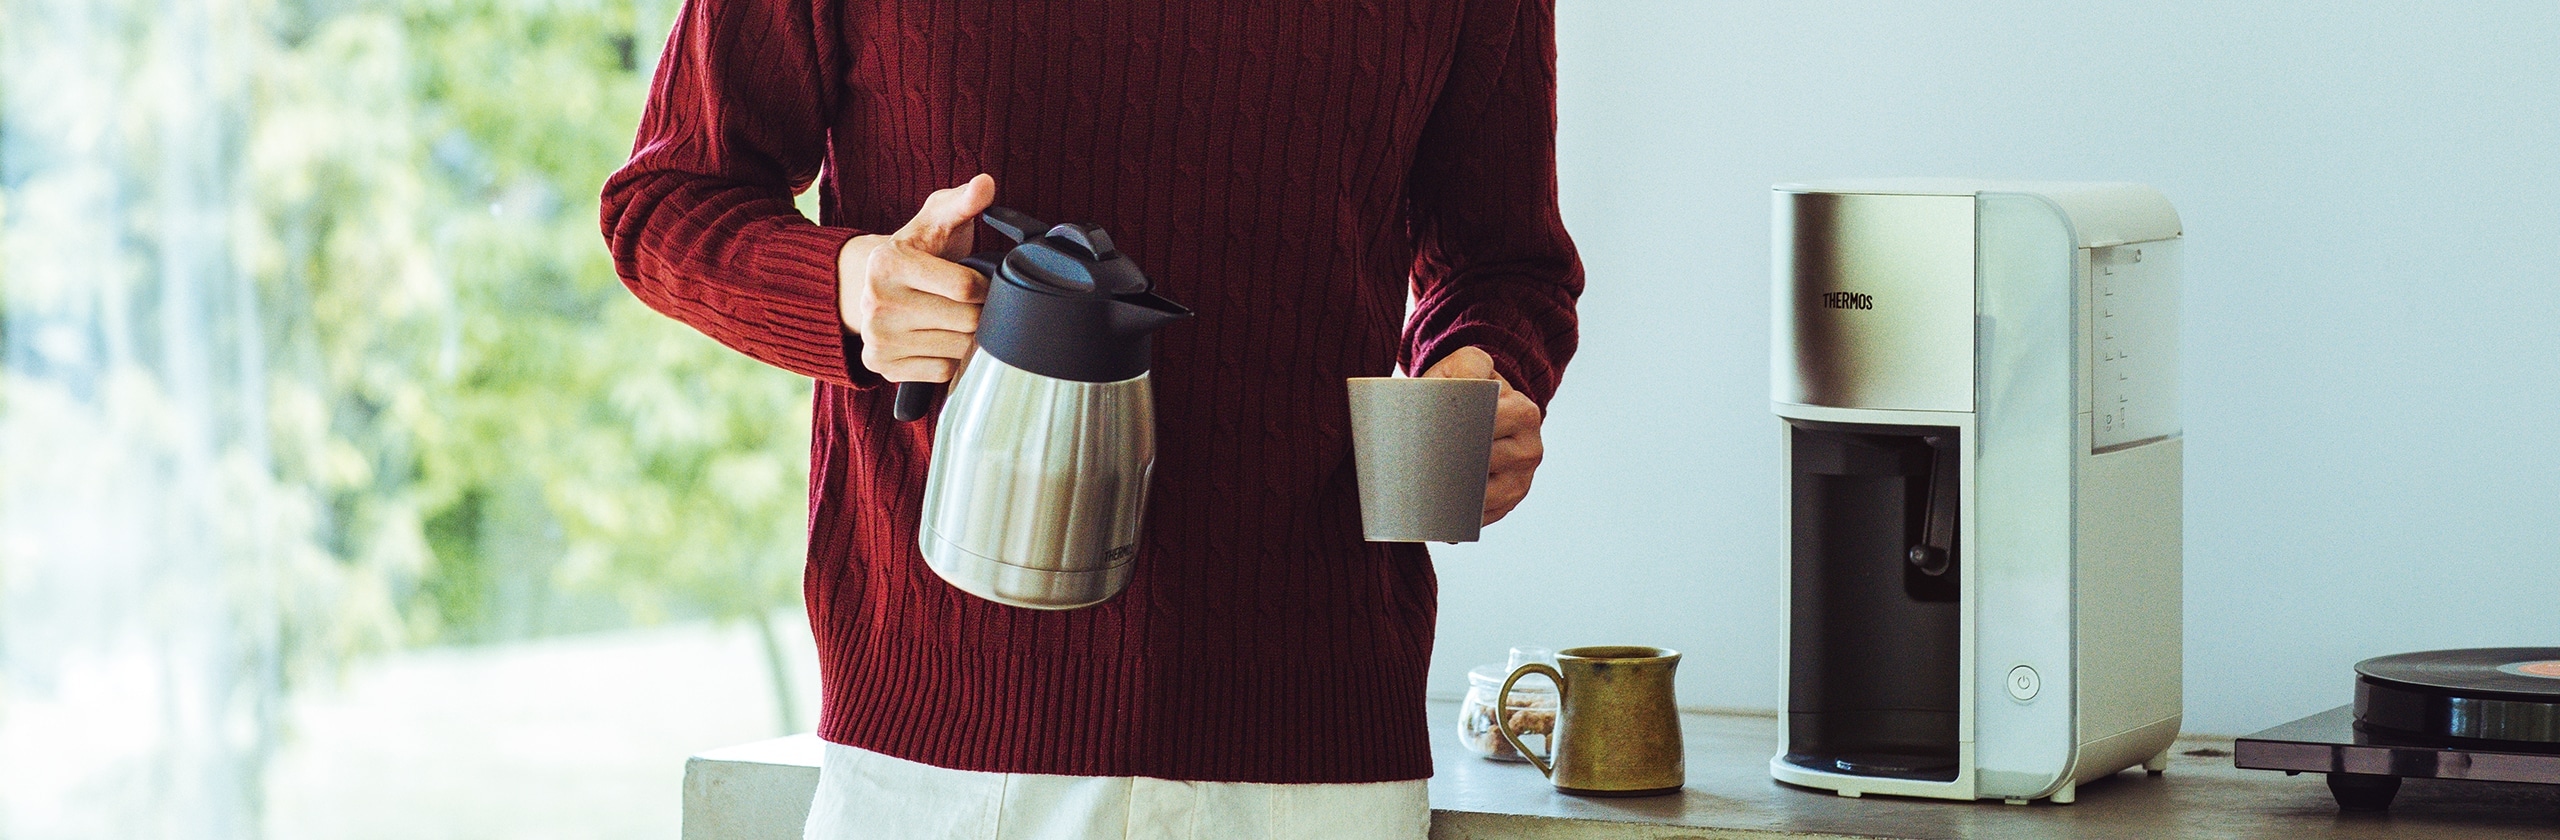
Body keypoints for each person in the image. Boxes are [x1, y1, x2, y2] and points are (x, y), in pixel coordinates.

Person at [601, 0, 1580, 836]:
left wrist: (1483, 370)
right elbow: (665, 203)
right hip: (944, 759)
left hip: (1316, 758)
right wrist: (854, 288)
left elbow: (1503, 266)